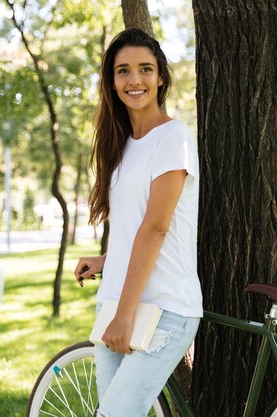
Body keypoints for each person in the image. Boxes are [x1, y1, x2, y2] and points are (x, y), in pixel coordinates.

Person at [74, 27, 202, 417]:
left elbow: (157, 228)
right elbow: (135, 226)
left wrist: (125, 315)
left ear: (160, 77)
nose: (135, 80)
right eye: (123, 71)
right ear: (111, 83)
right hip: (116, 301)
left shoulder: (173, 137)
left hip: (162, 307)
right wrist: (107, 260)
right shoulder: (123, 144)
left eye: (145, 69)